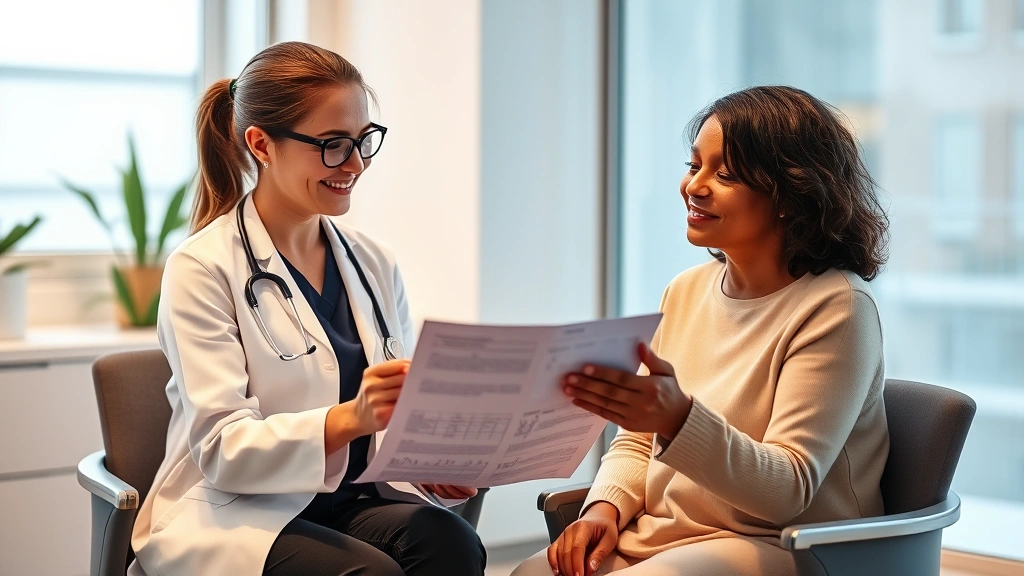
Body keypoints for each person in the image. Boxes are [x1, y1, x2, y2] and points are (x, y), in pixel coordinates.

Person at [129, 42, 486, 576]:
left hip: (354, 501)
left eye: (364, 140)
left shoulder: (373, 262)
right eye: (334, 144)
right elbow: (223, 449)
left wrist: (429, 465)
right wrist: (351, 418)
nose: (357, 163)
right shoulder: (202, 268)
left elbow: (396, 415)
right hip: (239, 512)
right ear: (262, 144)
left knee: (451, 544)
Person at [514, 85, 891, 576]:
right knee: (529, 574)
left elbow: (787, 490)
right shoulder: (686, 290)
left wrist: (678, 419)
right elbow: (636, 441)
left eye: (727, 174)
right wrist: (603, 507)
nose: (694, 185)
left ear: (790, 194)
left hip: (785, 546)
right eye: (695, 166)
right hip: (670, 536)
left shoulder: (838, 308)